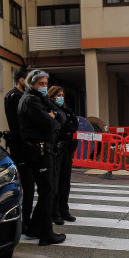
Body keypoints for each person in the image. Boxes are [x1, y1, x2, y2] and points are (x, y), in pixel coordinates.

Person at [18, 69, 65, 246]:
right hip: (39, 151)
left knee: (48, 190)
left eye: (46, 84)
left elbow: (59, 115)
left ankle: (36, 228)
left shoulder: (39, 99)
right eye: (41, 84)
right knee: (47, 191)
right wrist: (53, 118)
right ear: (32, 84)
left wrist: (55, 116)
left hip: (46, 150)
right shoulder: (30, 101)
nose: (44, 87)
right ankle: (46, 233)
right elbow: (51, 123)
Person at [3, 67, 35, 234]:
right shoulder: (15, 97)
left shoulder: (18, 96)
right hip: (21, 146)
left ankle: (25, 220)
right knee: (27, 184)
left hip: (23, 145)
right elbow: (21, 123)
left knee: (29, 185)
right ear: (22, 81)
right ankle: (24, 222)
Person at [48, 86, 78, 226]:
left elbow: (74, 125)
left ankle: (64, 210)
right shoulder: (50, 108)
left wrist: (67, 123)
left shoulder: (65, 109)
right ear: (52, 96)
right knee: (56, 181)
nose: (61, 97)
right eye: (58, 95)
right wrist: (66, 124)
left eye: (62, 94)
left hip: (67, 147)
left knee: (65, 182)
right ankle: (55, 213)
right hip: (57, 148)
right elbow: (62, 125)